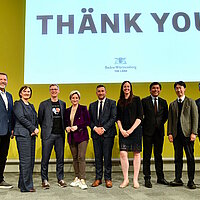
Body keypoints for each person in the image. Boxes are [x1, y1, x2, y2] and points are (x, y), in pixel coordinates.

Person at [168, 81, 198, 189]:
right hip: (176, 135)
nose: (178, 90)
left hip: (188, 134)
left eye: (180, 88)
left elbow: (195, 118)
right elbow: (170, 120)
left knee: (190, 158)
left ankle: (191, 180)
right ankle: (178, 179)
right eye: (176, 88)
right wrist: (170, 133)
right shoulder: (172, 104)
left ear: (184, 89)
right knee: (177, 158)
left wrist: (194, 132)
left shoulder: (191, 102)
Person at [38, 84, 67, 189]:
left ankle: (60, 179)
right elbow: (40, 120)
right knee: (45, 159)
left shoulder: (63, 104)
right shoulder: (43, 104)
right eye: (52, 89)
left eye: (55, 89)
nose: (54, 91)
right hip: (48, 135)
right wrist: (46, 129)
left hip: (60, 135)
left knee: (60, 158)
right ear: (50, 91)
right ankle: (44, 180)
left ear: (59, 91)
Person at [89, 85, 117, 188]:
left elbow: (113, 117)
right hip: (96, 135)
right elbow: (90, 120)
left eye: (102, 91)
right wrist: (95, 128)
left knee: (107, 157)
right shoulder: (92, 105)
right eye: (99, 91)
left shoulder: (112, 103)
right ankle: (98, 178)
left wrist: (103, 129)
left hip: (108, 135)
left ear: (105, 92)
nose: (100, 93)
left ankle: (108, 179)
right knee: (98, 157)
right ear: (96, 93)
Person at [142, 82, 169, 188]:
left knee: (158, 156)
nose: (155, 90)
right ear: (150, 90)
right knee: (147, 156)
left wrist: (158, 124)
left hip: (159, 133)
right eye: (153, 88)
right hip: (147, 132)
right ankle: (147, 178)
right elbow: (141, 116)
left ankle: (160, 177)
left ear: (160, 90)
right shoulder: (144, 101)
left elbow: (165, 116)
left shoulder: (163, 102)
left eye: (157, 88)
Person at [117, 81, 143, 189]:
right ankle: (126, 179)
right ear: (122, 89)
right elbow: (117, 118)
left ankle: (135, 180)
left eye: (128, 86)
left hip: (135, 131)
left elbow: (140, 117)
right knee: (123, 154)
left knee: (136, 154)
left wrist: (131, 130)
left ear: (130, 88)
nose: (126, 88)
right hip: (123, 131)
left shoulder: (137, 99)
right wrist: (122, 130)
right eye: (124, 87)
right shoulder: (120, 101)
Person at [13, 86, 39, 192]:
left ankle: (22, 184)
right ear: (20, 93)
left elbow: (35, 119)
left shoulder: (31, 105)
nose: (27, 93)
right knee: (25, 161)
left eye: (29, 91)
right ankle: (26, 187)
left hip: (31, 135)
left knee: (30, 161)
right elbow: (21, 118)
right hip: (23, 135)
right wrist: (33, 128)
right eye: (25, 91)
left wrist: (34, 129)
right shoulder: (18, 104)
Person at [65, 90, 90, 190]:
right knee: (75, 157)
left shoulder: (83, 108)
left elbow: (88, 121)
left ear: (79, 99)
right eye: (73, 98)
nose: (74, 99)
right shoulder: (67, 110)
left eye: (76, 98)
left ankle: (82, 179)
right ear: (70, 99)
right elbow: (66, 122)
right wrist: (66, 127)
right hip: (72, 137)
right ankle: (77, 177)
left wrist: (78, 127)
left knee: (81, 157)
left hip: (82, 136)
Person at [0, 72, 14, 189]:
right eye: (0, 79)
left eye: (5, 79)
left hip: (6, 131)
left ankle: (0, 179)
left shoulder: (9, 95)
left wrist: (12, 129)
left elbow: (10, 114)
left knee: (3, 156)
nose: (3, 81)